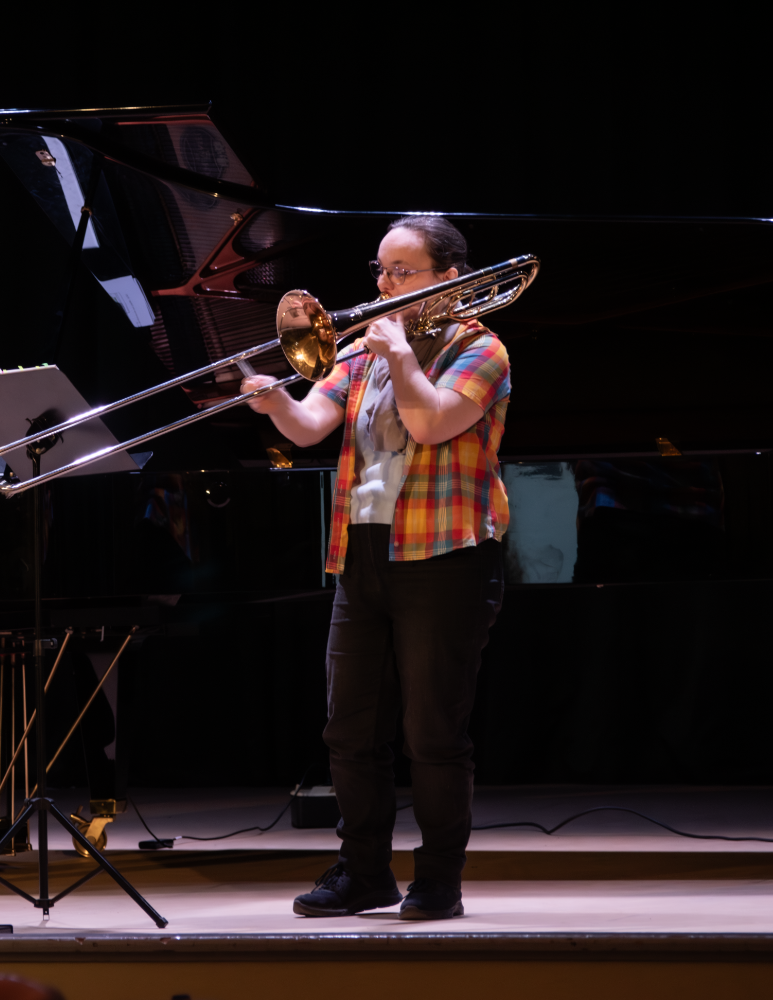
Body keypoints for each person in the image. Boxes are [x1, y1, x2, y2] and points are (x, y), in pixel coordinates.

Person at [242, 216, 509, 920]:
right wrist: (273, 400)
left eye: (402, 271)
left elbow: (429, 423)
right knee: (349, 732)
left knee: (432, 734)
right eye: (381, 270)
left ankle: (438, 881)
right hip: (360, 552)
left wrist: (401, 359)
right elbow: (309, 426)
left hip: (445, 556)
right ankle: (363, 874)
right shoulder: (362, 350)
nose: (385, 285)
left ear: (448, 279)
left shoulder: (481, 349)